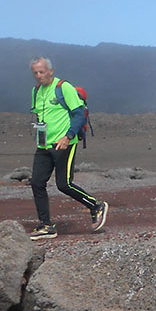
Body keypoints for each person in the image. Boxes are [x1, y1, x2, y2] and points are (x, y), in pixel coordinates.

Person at [27, 57, 108, 240]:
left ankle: (95, 205)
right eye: (35, 73)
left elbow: (79, 114)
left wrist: (68, 136)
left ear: (51, 71)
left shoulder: (64, 88)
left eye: (41, 71)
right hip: (44, 145)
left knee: (64, 184)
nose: (39, 76)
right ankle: (46, 225)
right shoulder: (36, 91)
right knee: (37, 183)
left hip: (64, 143)